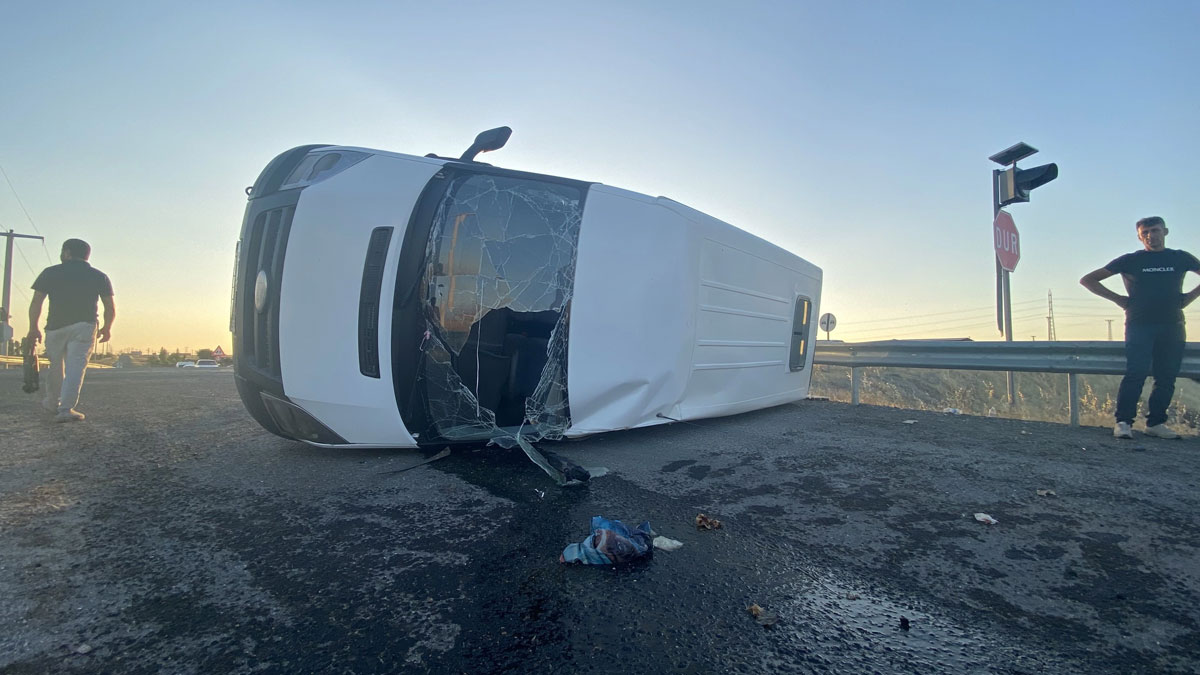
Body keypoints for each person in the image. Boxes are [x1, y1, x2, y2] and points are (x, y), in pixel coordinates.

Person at [1080, 216, 1200, 439]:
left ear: (1165, 231)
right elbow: (1088, 280)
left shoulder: (1180, 257)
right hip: (1139, 324)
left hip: (1172, 324)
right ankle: (1123, 422)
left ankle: (1155, 424)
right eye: (1144, 233)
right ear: (1139, 236)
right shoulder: (1130, 260)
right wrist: (1119, 300)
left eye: (1154, 231)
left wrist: (1189, 298)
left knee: (1166, 377)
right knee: (1136, 373)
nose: (1150, 236)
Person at [26, 239, 115, 422]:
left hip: (55, 327)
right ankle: (66, 409)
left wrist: (33, 327)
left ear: (67, 253)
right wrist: (107, 327)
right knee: (76, 367)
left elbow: (36, 302)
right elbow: (109, 306)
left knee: (56, 367)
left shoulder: (50, 273)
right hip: (84, 326)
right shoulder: (99, 276)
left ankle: (52, 402)